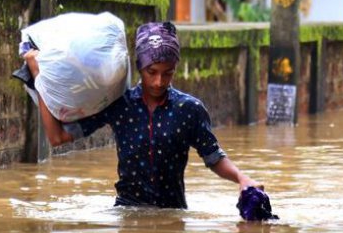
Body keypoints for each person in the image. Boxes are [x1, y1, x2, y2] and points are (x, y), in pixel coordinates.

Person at [23, 21, 263, 209]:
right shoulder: (119, 105)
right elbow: (57, 137)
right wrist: (39, 77)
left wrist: (242, 179)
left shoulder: (189, 110)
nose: (159, 81)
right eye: (152, 72)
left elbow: (214, 158)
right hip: (127, 212)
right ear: (139, 67)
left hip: (173, 215)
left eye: (167, 73)